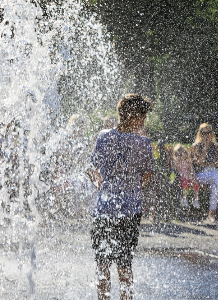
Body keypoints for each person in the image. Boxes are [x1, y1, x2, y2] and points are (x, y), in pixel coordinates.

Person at [90, 94, 153, 300]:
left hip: (104, 209)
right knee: (125, 265)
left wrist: (100, 185)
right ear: (135, 117)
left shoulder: (103, 136)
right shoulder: (143, 143)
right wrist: (133, 189)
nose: (144, 121)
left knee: (102, 265)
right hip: (130, 210)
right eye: (143, 116)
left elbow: (92, 170)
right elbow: (147, 177)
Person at [173, 144, 199, 209]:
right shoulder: (177, 162)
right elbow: (174, 169)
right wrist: (177, 161)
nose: (181, 155)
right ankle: (184, 199)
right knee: (185, 183)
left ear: (186, 154)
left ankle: (196, 199)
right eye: (178, 154)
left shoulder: (188, 162)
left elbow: (192, 171)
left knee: (196, 183)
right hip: (180, 178)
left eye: (182, 153)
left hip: (187, 177)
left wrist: (193, 177)